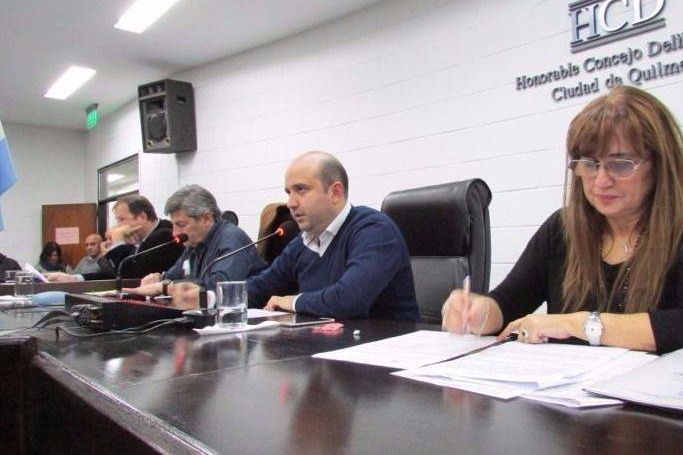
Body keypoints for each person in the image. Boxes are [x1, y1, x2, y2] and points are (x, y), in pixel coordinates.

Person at [442, 86, 683, 354]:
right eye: (588, 164)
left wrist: (578, 324)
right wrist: (478, 312)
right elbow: (508, 303)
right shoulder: (562, 229)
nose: (601, 181)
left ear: (660, 164)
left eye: (620, 164)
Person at [159, 152, 420, 321]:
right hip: (331, 352)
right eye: (288, 192)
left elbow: (349, 300)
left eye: (301, 190)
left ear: (335, 193)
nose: (291, 203)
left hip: (387, 362)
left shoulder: (374, 231)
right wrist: (205, 298)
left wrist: (292, 301)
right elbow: (260, 288)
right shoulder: (304, 242)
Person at [128, 184, 266, 297]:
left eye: (181, 225)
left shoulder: (232, 239)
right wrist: (158, 279)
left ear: (206, 219)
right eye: (174, 225)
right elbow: (172, 277)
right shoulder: (193, 244)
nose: (175, 233)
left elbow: (218, 288)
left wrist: (165, 287)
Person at [48, 195, 184, 282]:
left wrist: (118, 243)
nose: (118, 226)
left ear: (142, 217)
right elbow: (115, 274)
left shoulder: (165, 235)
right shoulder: (139, 239)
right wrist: (74, 278)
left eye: (121, 219)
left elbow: (129, 277)